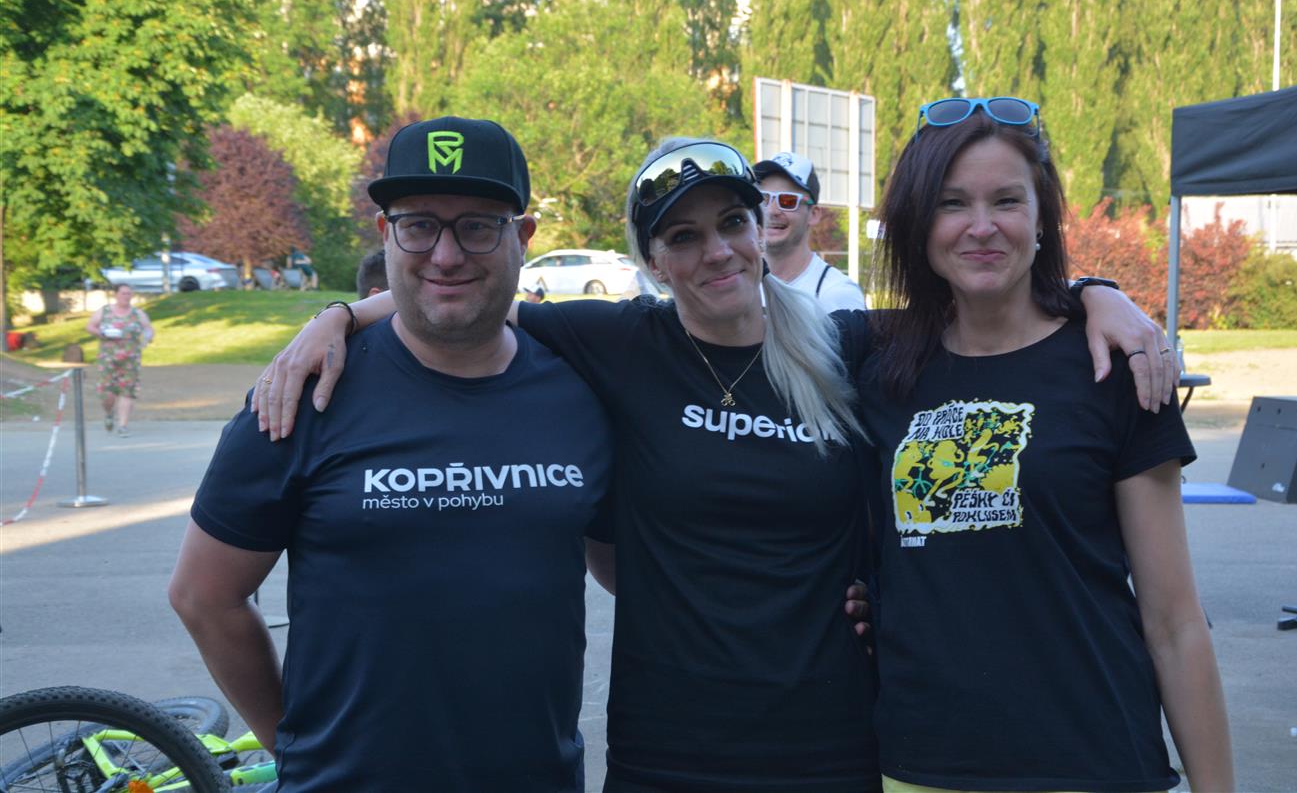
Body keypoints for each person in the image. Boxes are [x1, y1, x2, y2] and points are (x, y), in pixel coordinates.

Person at [255, 136, 1173, 792]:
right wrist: (336, 317)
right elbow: (466, 294)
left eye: (731, 222)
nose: (716, 251)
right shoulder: (618, 342)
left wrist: (1097, 294)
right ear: (652, 260)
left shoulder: (846, 344)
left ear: (761, 228)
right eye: (682, 236)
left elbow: (991, 307)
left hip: (831, 739)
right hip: (669, 745)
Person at [169, 116, 615, 791]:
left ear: (522, 237)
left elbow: (630, 572)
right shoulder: (304, 392)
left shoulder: (580, 391)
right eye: (419, 225)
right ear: (385, 233)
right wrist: (297, 746)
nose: (445, 255)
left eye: (477, 226)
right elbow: (205, 596)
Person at [853, 96, 1233, 792]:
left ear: (1040, 219)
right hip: (921, 764)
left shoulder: (1112, 370)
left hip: (1089, 758)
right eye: (951, 203)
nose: (981, 227)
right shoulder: (879, 366)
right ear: (918, 222)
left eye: (1006, 200)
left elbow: (1174, 620)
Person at [755, 151, 866, 312]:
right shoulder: (740, 285)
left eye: (788, 201)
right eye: (763, 198)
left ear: (813, 214)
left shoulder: (838, 294)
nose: (771, 211)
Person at [84, 283, 153, 436]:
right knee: (108, 394)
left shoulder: (137, 313)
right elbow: (90, 326)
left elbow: (148, 329)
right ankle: (109, 413)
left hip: (130, 359)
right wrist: (102, 333)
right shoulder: (105, 311)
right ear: (116, 294)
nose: (126, 296)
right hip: (108, 359)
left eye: (129, 293)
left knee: (127, 391)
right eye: (123, 293)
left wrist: (147, 338)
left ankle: (123, 426)